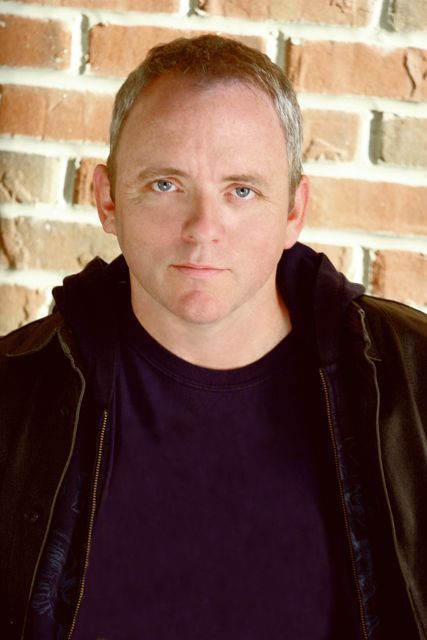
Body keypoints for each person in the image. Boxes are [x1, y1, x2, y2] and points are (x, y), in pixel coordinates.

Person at [0, 34, 425, 640]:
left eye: (241, 190)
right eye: (165, 185)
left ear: (293, 212)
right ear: (107, 199)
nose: (203, 229)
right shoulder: (14, 392)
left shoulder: (413, 379)